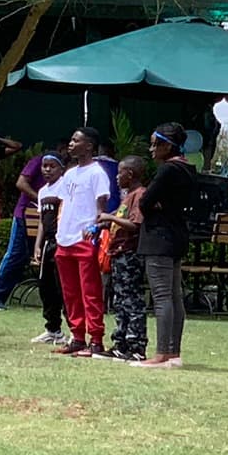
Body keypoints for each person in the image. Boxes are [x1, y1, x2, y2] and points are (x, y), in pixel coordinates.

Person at [40, 125, 114, 357]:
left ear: (89, 146)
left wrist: (94, 229)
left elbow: (102, 210)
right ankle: (77, 336)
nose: (70, 144)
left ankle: (96, 340)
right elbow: (63, 205)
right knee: (70, 293)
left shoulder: (97, 173)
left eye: (76, 141)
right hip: (65, 241)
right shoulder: (70, 174)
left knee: (90, 292)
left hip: (85, 240)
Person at [134, 122, 197, 369]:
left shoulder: (168, 170)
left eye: (154, 144)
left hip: (159, 238)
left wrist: (154, 204)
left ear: (167, 145)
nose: (151, 149)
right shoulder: (188, 168)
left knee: (161, 296)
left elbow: (145, 201)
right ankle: (174, 352)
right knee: (174, 296)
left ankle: (161, 353)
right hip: (178, 235)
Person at [0, 142, 55, 307]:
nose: (47, 169)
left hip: (45, 218)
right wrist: (40, 199)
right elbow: (21, 183)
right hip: (24, 214)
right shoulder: (37, 162)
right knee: (16, 255)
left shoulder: (66, 172)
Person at [99, 152, 150, 361]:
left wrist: (110, 217)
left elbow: (135, 224)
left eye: (120, 173)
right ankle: (121, 343)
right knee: (120, 301)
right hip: (118, 254)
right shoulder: (127, 196)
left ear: (130, 174)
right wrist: (106, 224)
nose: (117, 177)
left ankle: (136, 346)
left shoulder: (140, 195)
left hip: (130, 255)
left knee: (132, 301)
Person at [27, 152, 69, 345]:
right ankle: (53, 329)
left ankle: (76, 332)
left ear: (61, 169)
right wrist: (37, 244)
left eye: (52, 166)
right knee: (47, 287)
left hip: (62, 241)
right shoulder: (43, 191)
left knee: (64, 287)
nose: (47, 170)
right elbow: (43, 222)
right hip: (47, 245)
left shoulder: (65, 188)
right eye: (44, 166)